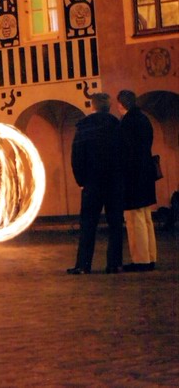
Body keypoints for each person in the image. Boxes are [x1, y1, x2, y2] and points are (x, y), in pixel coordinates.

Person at [67, 93, 124, 274]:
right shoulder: (117, 126)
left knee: (88, 224)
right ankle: (114, 264)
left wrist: (81, 181)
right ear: (108, 107)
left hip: (92, 182)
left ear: (93, 106)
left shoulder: (84, 127)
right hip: (114, 182)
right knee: (115, 223)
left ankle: (83, 265)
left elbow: (76, 156)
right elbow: (124, 154)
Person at [117, 90, 157, 272]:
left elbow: (125, 153)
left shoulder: (127, 123)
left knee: (135, 219)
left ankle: (141, 260)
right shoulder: (143, 119)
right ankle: (150, 256)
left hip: (133, 176)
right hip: (146, 174)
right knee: (146, 217)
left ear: (121, 104)